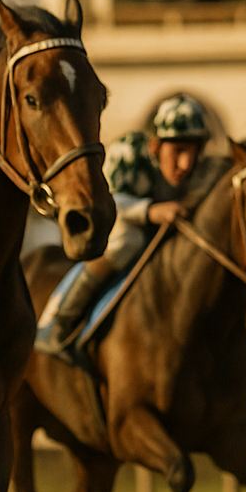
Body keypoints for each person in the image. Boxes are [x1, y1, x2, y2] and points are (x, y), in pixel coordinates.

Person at [39, 93, 212, 354]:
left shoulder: (199, 171)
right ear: (155, 147)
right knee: (127, 241)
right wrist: (149, 211)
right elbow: (105, 201)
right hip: (109, 228)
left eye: (192, 151)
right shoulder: (127, 153)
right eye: (177, 151)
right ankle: (62, 319)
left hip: (151, 229)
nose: (186, 164)